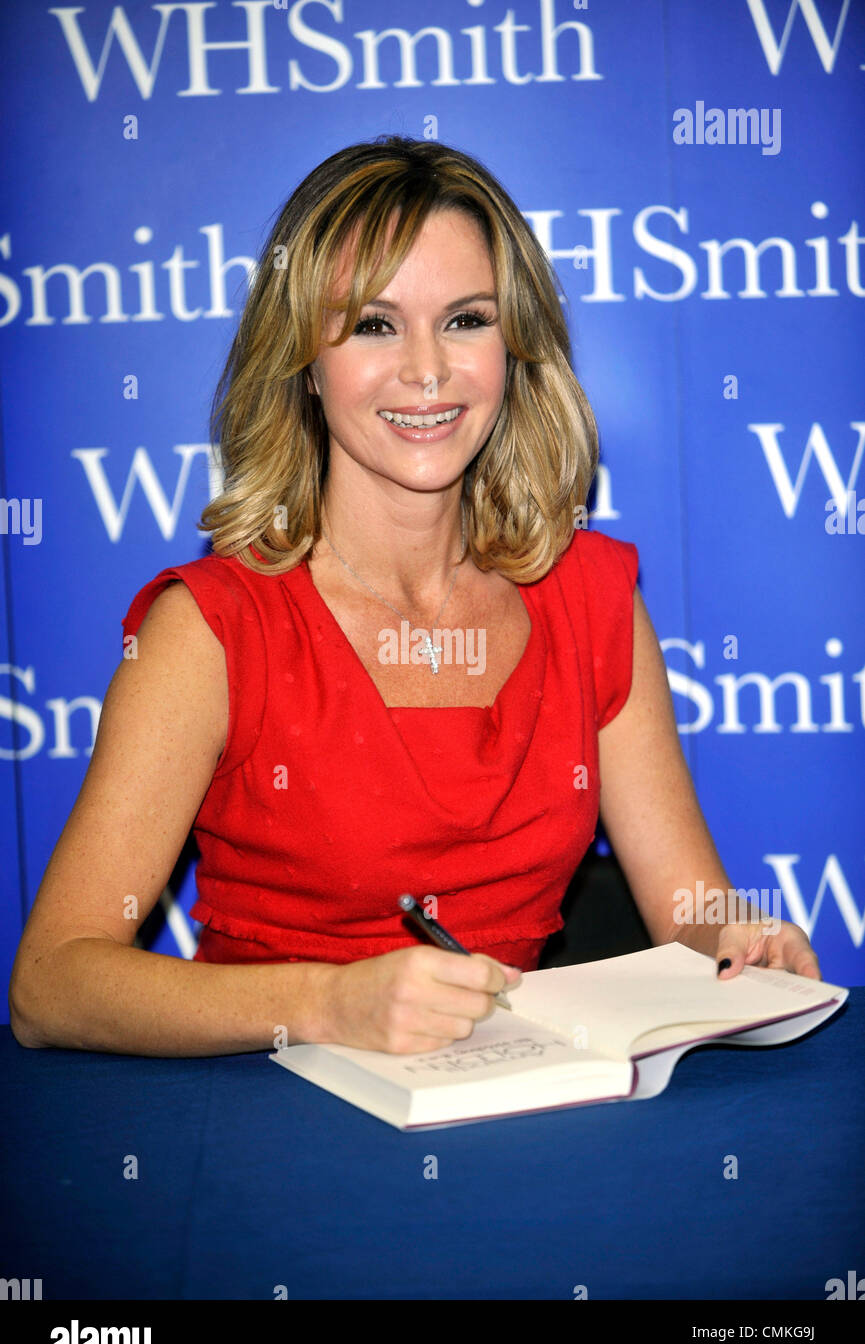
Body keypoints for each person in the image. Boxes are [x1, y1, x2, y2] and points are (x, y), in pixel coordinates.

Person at [9, 136, 820, 1059]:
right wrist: (325, 1003)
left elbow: (686, 905)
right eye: (372, 324)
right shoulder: (209, 630)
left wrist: (737, 939)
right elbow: (50, 982)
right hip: (264, 1131)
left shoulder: (589, 597)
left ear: (513, 345)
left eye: (466, 319)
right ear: (302, 362)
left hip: (528, 1107)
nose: (427, 370)